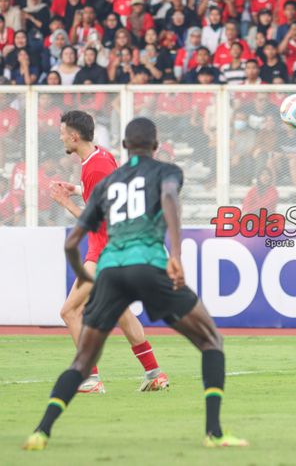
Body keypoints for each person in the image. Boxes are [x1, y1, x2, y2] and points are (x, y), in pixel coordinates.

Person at [22, 117, 248, 451]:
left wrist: (85, 270)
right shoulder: (165, 172)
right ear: (155, 146)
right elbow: (169, 201)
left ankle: (41, 432)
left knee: (83, 358)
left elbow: (74, 241)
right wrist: (175, 254)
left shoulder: (109, 181)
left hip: (111, 267)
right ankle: (213, 432)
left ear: (125, 147)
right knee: (211, 340)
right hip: (148, 265)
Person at [48, 111, 169, 394]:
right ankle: (154, 373)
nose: (60, 137)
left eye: (63, 132)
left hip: (105, 251)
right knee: (121, 311)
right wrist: (77, 190)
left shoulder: (95, 167)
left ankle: (90, 378)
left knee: (70, 311)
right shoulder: (100, 157)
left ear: (74, 136)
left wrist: (66, 202)